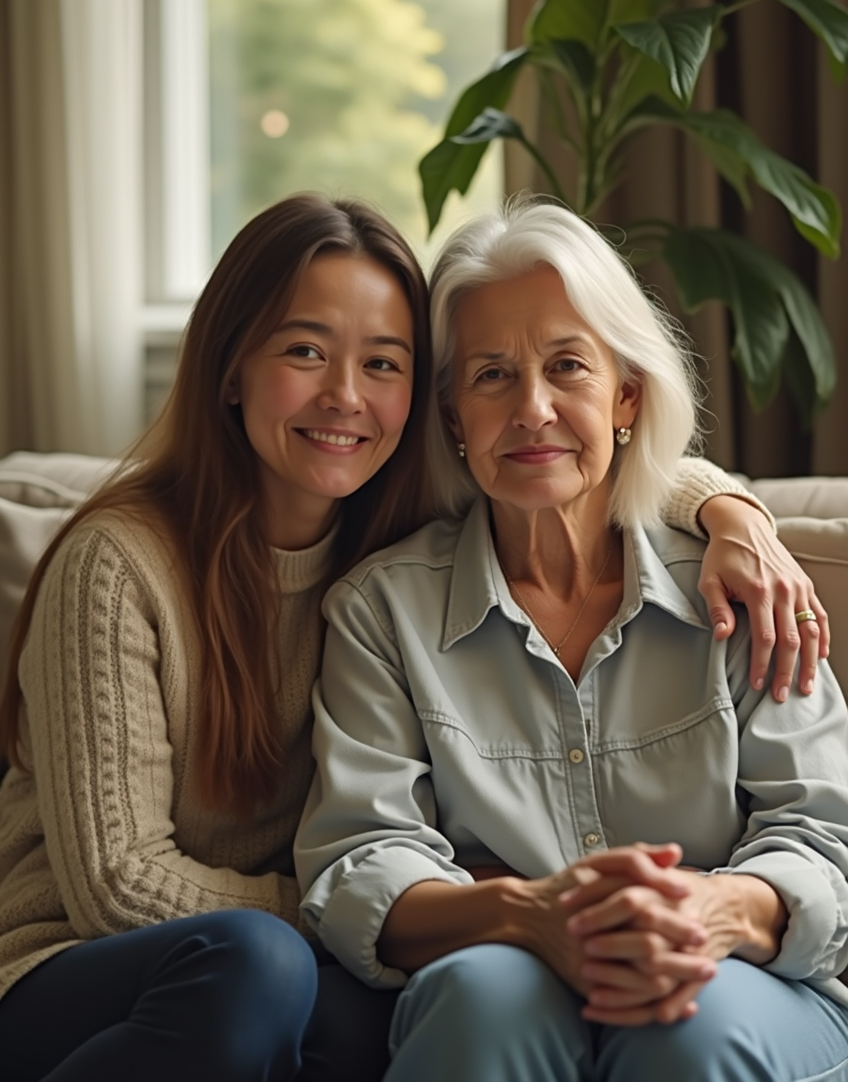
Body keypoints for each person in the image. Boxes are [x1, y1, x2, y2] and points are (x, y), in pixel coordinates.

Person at [0, 194, 825, 1081]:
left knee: (371, 1011)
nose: (346, 397)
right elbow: (117, 883)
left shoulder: (384, 519)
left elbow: (575, 460)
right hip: (96, 961)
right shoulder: (133, 567)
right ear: (231, 369)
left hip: (292, 961)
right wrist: (419, 905)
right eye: (306, 350)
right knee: (298, 973)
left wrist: (733, 512)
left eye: (383, 363)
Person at [295, 200, 848, 1082]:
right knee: (482, 1005)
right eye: (491, 377)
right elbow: (362, 859)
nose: (534, 409)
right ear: (450, 416)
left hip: (742, 975)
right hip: (493, 964)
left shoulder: (740, 583)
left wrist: (715, 909)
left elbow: (824, 832)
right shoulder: (381, 609)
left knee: (689, 1024)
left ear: (626, 394)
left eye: (568, 367)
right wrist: (526, 913)